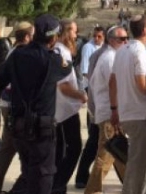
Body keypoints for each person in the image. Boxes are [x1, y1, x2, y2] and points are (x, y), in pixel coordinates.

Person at [0, 14, 73, 193]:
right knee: (43, 177)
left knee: (28, 173)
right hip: (41, 131)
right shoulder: (53, 60)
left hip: (18, 127)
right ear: (54, 37)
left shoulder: (17, 55)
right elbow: (68, 68)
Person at [109, 14, 146, 194]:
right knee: (142, 161)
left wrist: (114, 109)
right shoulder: (140, 52)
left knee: (144, 159)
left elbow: (112, 82)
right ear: (145, 30)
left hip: (126, 112)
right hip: (139, 115)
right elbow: (142, 84)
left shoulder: (122, 50)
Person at [0, 23, 33, 194]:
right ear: (27, 37)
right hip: (13, 106)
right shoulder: (19, 54)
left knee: (8, 148)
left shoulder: (16, 52)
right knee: (17, 147)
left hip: (9, 105)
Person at [85, 27, 128, 194]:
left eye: (126, 38)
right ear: (111, 40)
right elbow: (114, 85)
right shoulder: (111, 58)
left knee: (119, 152)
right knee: (106, 153)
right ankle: (92, 190)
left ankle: (134, 187)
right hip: (111, 112)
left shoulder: (110, 56)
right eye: (121, 39)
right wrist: (115, 109)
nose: (125, 41)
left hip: (109, 111)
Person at [52, 19, 88, 194]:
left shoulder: (62, 51)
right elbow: (63, 86)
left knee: (61, 150)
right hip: (64, 110)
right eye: (74, 31)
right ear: (66, 32)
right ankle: (57, 184)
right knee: (73, 149)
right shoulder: (60, 52)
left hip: (64, 109)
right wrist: (80, 95)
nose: (76, 34)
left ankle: (57, 185)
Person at [75, 26, 106, 189]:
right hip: (98, 101)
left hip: (101, 104)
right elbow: (86, 72)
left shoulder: (104, 53)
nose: (96, 38)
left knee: (103, 144)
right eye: (95, 35)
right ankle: (84, 178)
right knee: (97, 142)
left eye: (99, 36)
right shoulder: (92, 50)